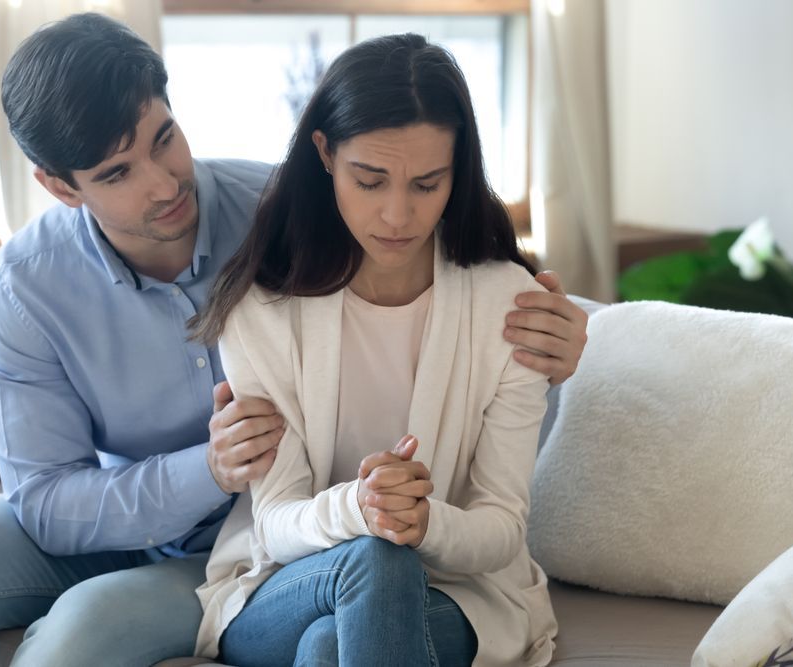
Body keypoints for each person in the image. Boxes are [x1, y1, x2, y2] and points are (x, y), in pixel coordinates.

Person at [0, 14, 586, 667]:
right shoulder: (25, 284)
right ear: (61, 187)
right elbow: (43, 499)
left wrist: (565, 341)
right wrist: (210, 470)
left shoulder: (296, 210)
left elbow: (452, 301)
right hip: (149, 522)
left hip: (259, 540)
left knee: (84, 629)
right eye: (117, 174)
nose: (164, 185)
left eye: (164, 138)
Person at [191, 33, 561, 666]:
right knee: (374, 558)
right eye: (371, 181)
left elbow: (502, 527)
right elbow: (275, 520)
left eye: (426, 184)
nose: (397, 215)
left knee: (333, 642)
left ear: (458, 170)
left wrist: (424, 523)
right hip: (289, 583)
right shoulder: (261, 311)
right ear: (326, 155)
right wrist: (362, 512)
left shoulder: (509, 306)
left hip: (458, 594)